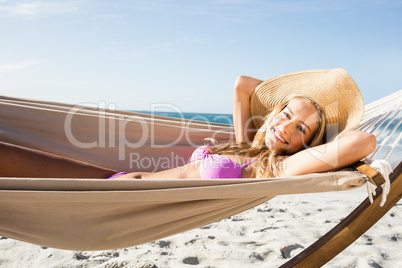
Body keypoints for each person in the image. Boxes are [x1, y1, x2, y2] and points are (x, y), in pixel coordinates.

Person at [0, 68, 376, 180]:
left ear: (306, 146)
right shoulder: (245, 143)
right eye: (285, 115)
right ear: (273, 112)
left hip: (114, 193)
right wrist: (286, 101)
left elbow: (362, 141)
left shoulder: (279, 166)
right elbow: (242, 84)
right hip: (117, 179)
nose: (288, 128)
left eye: (301, 131)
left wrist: (319, 129)